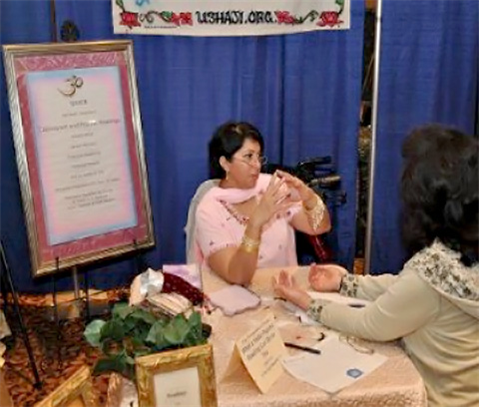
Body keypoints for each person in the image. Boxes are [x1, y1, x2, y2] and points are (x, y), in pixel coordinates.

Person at [273, 124, 479, 407]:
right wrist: (346, 283)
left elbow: (370, 323)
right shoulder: (461, 251)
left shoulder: (430, 272)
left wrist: (307, 302)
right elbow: (405, 288)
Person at [193, 121, 331, 285]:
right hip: (232, 295)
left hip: (284, 289)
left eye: (259, 157)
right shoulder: (209, 209)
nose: (257, 165)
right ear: (225, 163)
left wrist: (308, 196)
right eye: (248, 157)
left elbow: (319, 227)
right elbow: (237, 276)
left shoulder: (270, 187)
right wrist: (255, 224)